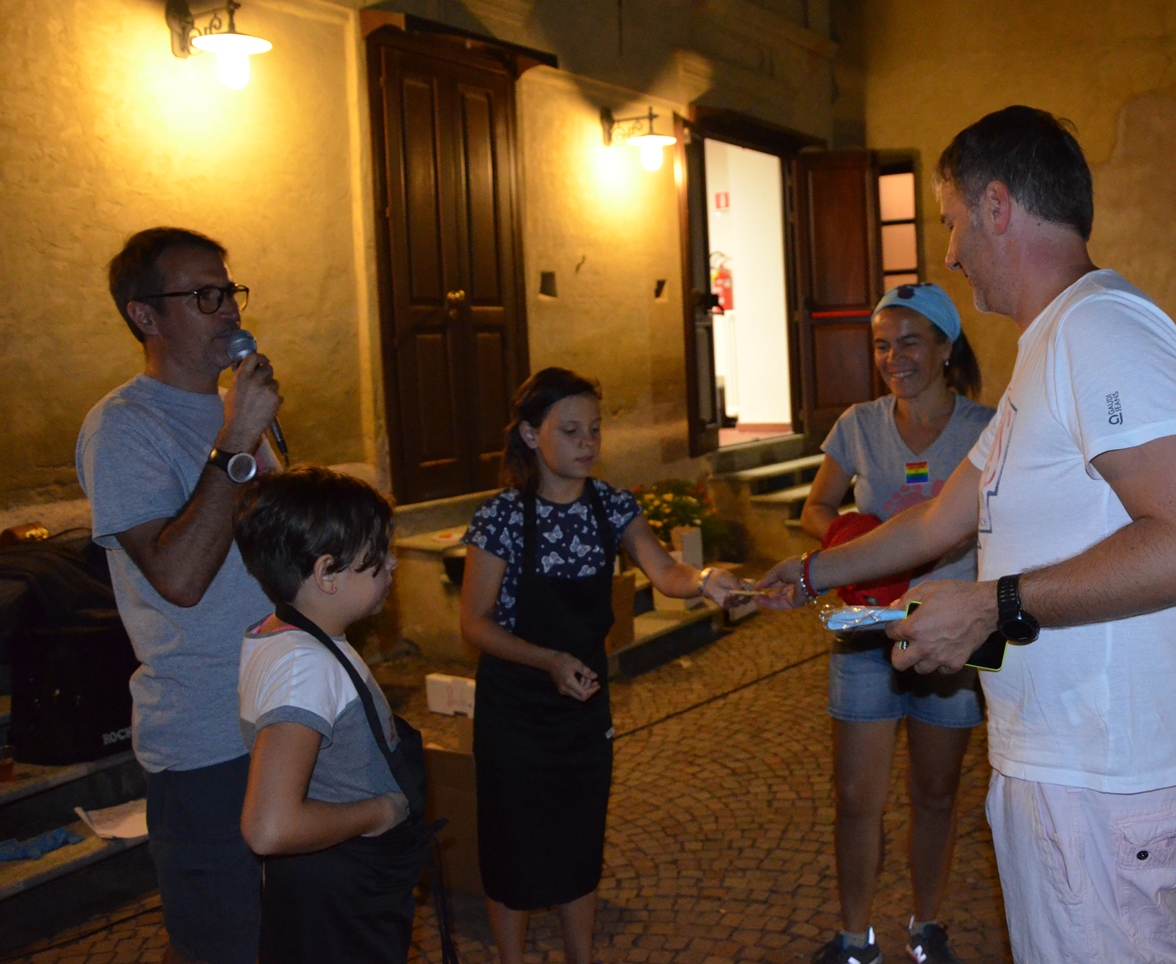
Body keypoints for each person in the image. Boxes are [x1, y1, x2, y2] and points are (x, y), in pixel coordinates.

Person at [759, 106, 1176, 963]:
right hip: (1063, 766)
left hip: (1103, 770)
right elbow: (938, 518)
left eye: (950, 221)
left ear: (996, 206)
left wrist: (991, 604)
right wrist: (806, 575)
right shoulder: (1046, 349)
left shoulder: (1102, 328)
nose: (948, 252)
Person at [459, 368, 748, 964]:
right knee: (512, 844)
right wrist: (547, 660)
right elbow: (476, 623)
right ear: (531, 435)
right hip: (515, 706)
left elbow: (665, 571)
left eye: (594, 429)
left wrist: (705, 580)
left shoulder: (612, 507)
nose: (587, 442)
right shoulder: (501, 518)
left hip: (583, 704)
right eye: (570, 431)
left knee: (579, 839)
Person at [76, 228, 280, 964]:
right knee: (224, 942)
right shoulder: (123, 427)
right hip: (209, 738)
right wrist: (238, 441)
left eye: (229, 290)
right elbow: (179, 579)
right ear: (145, 316)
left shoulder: (237, 413)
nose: (229, 309)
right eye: (204, 295)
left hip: (285, 711)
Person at [798, 282, 994, 964]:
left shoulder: (988, 428)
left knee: (936, 793)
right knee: (856, 798)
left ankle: (925, 926)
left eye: (909, 342)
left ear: (945, 348)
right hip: (864, 628)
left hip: (954, 631)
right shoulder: (858, 424)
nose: (893, 358)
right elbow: (816, 507)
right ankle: (855, 938)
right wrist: (854, 539)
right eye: (882, 345)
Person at [232, 467, 425, 963]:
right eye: (377, 554)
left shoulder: (279, 636)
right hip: (339, 898)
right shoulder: (305, 665)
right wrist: (382, 812)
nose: (392, 563)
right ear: (326, 574)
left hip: (331, 886)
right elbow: (269, 826)